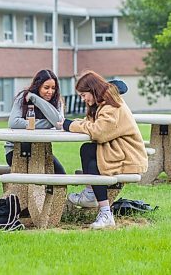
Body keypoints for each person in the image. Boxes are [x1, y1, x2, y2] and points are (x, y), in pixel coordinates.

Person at [59, 70, 148, 229]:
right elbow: (92, 125)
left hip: (128, 155)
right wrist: (73, 124)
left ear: (93, 90)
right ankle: (91, 193)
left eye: (83, 94)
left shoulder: (111, 104)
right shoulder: (102, 102)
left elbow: (99, 132)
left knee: (95, 164)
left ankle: (106, 213)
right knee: (87, 150)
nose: (83, 99)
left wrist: (70, 125)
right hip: (117, 149)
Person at [6, 69, 129, 175]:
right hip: (17, 150)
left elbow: (59, 122)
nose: (50, 91)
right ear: (37, 86)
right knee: (36, 174)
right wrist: (47, 123)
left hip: (43, 151)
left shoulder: (56, 100)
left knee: (60, 175)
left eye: (53, 88)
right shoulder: (23, 97)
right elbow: (14, 123)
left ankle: (54, 203)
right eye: (46, 88)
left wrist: (36, 99)